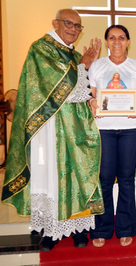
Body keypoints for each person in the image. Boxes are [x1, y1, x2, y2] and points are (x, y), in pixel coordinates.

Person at [1, 9, 104, 251]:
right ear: (55, 23)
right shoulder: (42, 48)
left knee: (77, 175)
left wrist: (87, 72)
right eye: (68, 23)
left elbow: (84, 91)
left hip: (74, 130)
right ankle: (50, 232)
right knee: (50, 178)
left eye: (78, 26)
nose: (73, 29)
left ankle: (78, 230)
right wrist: (84, 65)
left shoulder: (74, 54)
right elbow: (61, 88)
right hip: (47, 131)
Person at [88, 25, 136, 248]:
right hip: (103, 129)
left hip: (131, 128)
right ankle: (101, 228)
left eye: (121, 38)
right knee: (104, 179)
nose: (117, 41)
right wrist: (91, 102)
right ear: (107, 41)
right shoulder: (97, 66)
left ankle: (125, 228)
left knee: (126, 179)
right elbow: (92, 95)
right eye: (112, 37)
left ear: (128, 41)